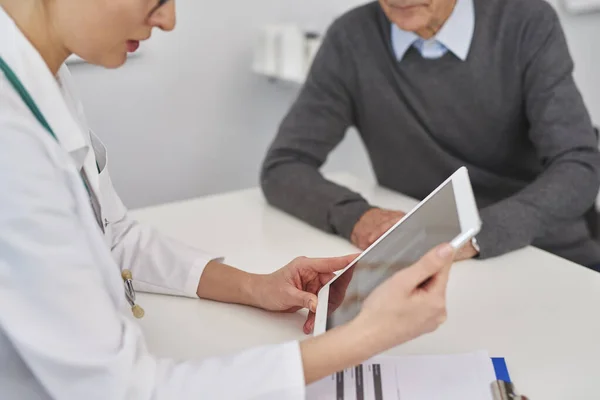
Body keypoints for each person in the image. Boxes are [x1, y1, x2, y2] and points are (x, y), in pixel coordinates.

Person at [0, 1, 457, 399]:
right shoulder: (12, 146)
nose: (170, 20)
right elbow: (128, 391)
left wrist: (254, 286)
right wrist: (367, 337)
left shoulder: (43, 76)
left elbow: (113, 234)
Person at [260, 0, 600, 271]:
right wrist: (359, 216)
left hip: (546, 255)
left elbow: (579, 165)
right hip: (428, 261)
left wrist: (474, 233)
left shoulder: (527, 20)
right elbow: (284, 165)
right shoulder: (351, 38)